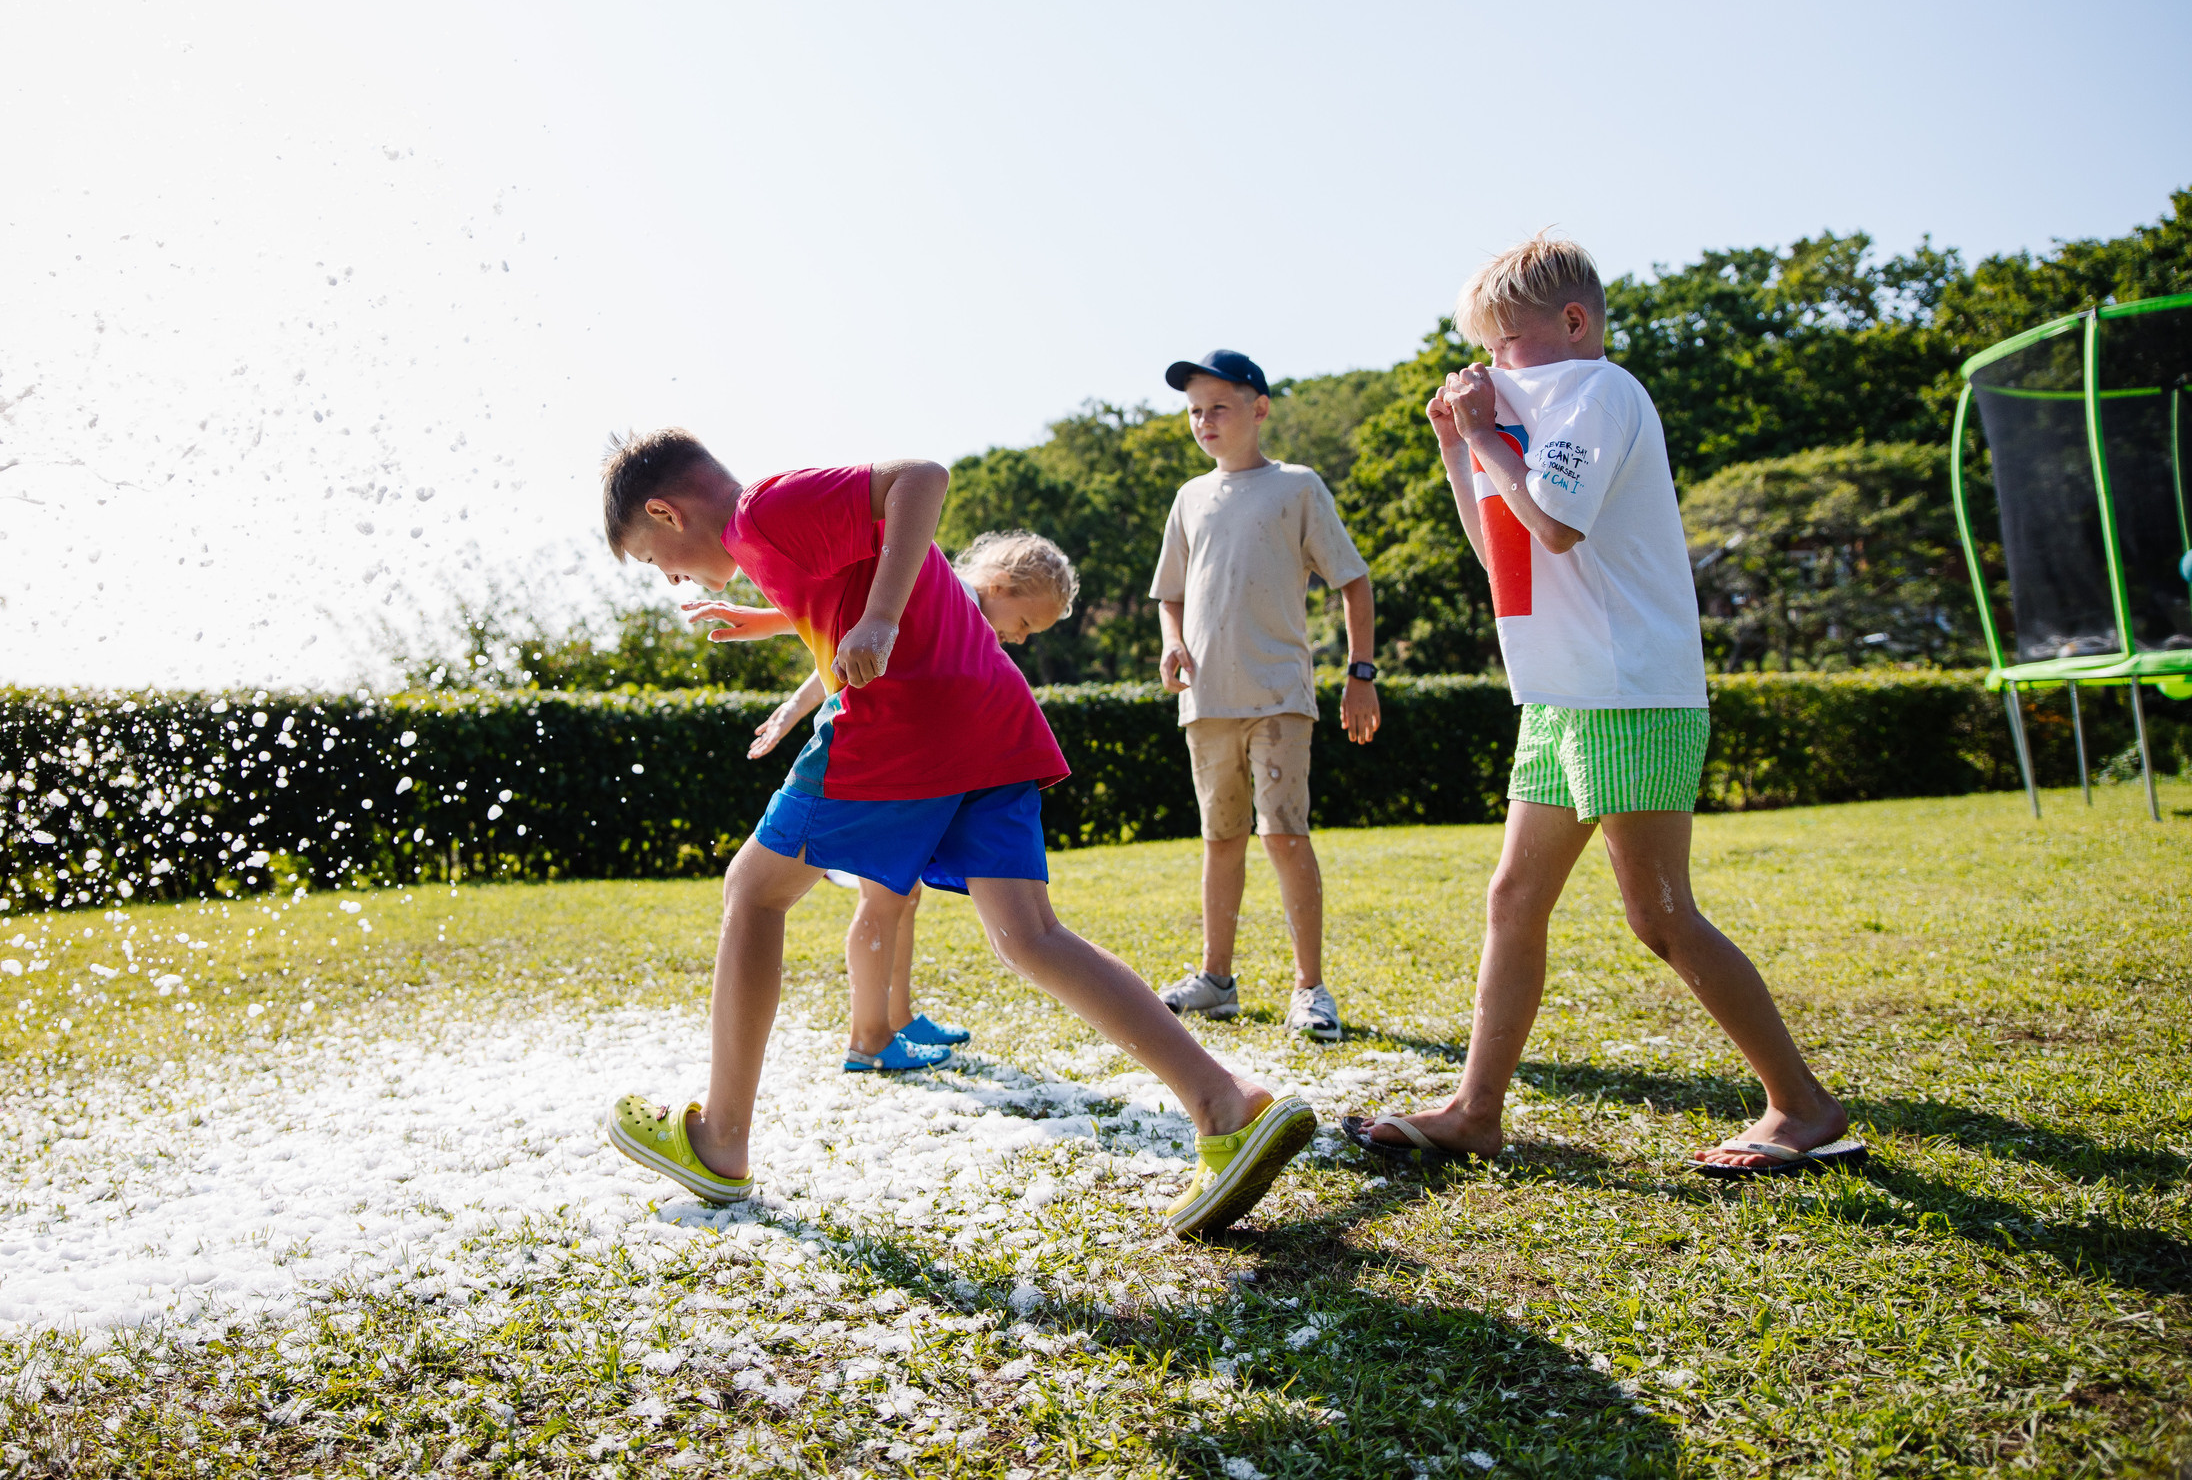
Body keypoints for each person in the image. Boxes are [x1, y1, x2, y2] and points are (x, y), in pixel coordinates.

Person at [598, 429, 1318, 1235]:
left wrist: (874, 623)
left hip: (909, 725)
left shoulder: (760, 511)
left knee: (753, 891)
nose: (668, 575)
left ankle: (718, 1142)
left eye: (653, 556)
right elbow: (861, 578)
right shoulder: (767, 540)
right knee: (1031, 935)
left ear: (665, 509)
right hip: (990, 718)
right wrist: (779, 618)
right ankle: (1227, 1102)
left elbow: (920, 477)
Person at [1344, 235, 1863, 1180]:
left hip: (1631, 693)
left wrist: (1490, 433)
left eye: (1505, 345)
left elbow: (1557, 519)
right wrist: (1461, 448)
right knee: (1513, 897)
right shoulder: (1539, 415)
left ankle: (1803, 1105)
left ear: (1572, 323)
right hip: (1561, 695)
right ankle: (1475, 1109)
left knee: (1660, 915)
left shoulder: (1602, 393)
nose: (1493, 366)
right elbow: (1507, 544)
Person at [716, 530, 1080, 1074]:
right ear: (1000, 584)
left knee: (901, 896)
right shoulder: (952, 595)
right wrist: (790, 700)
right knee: (883, 899)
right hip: (882, 770)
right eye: (1025, 623)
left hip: (906, 775)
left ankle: (898, 1018)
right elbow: (844, 635)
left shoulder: (961, 616)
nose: (1021, 639)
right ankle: (869, 1036)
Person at [1148, 348, 1382, 1042]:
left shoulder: (1297, 486)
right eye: (1194, 410)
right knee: (1221, 840)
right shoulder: (1190, 497)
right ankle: (1216, 980)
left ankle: (1311, 987)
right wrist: (1171, 639)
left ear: (1260, 408)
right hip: (1205, 700)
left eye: (1218, 406)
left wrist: (1361, 674)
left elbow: (1354, 581)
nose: (1204, 421)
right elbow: (1171, 595)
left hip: (1280, 694)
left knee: (1283, 834)